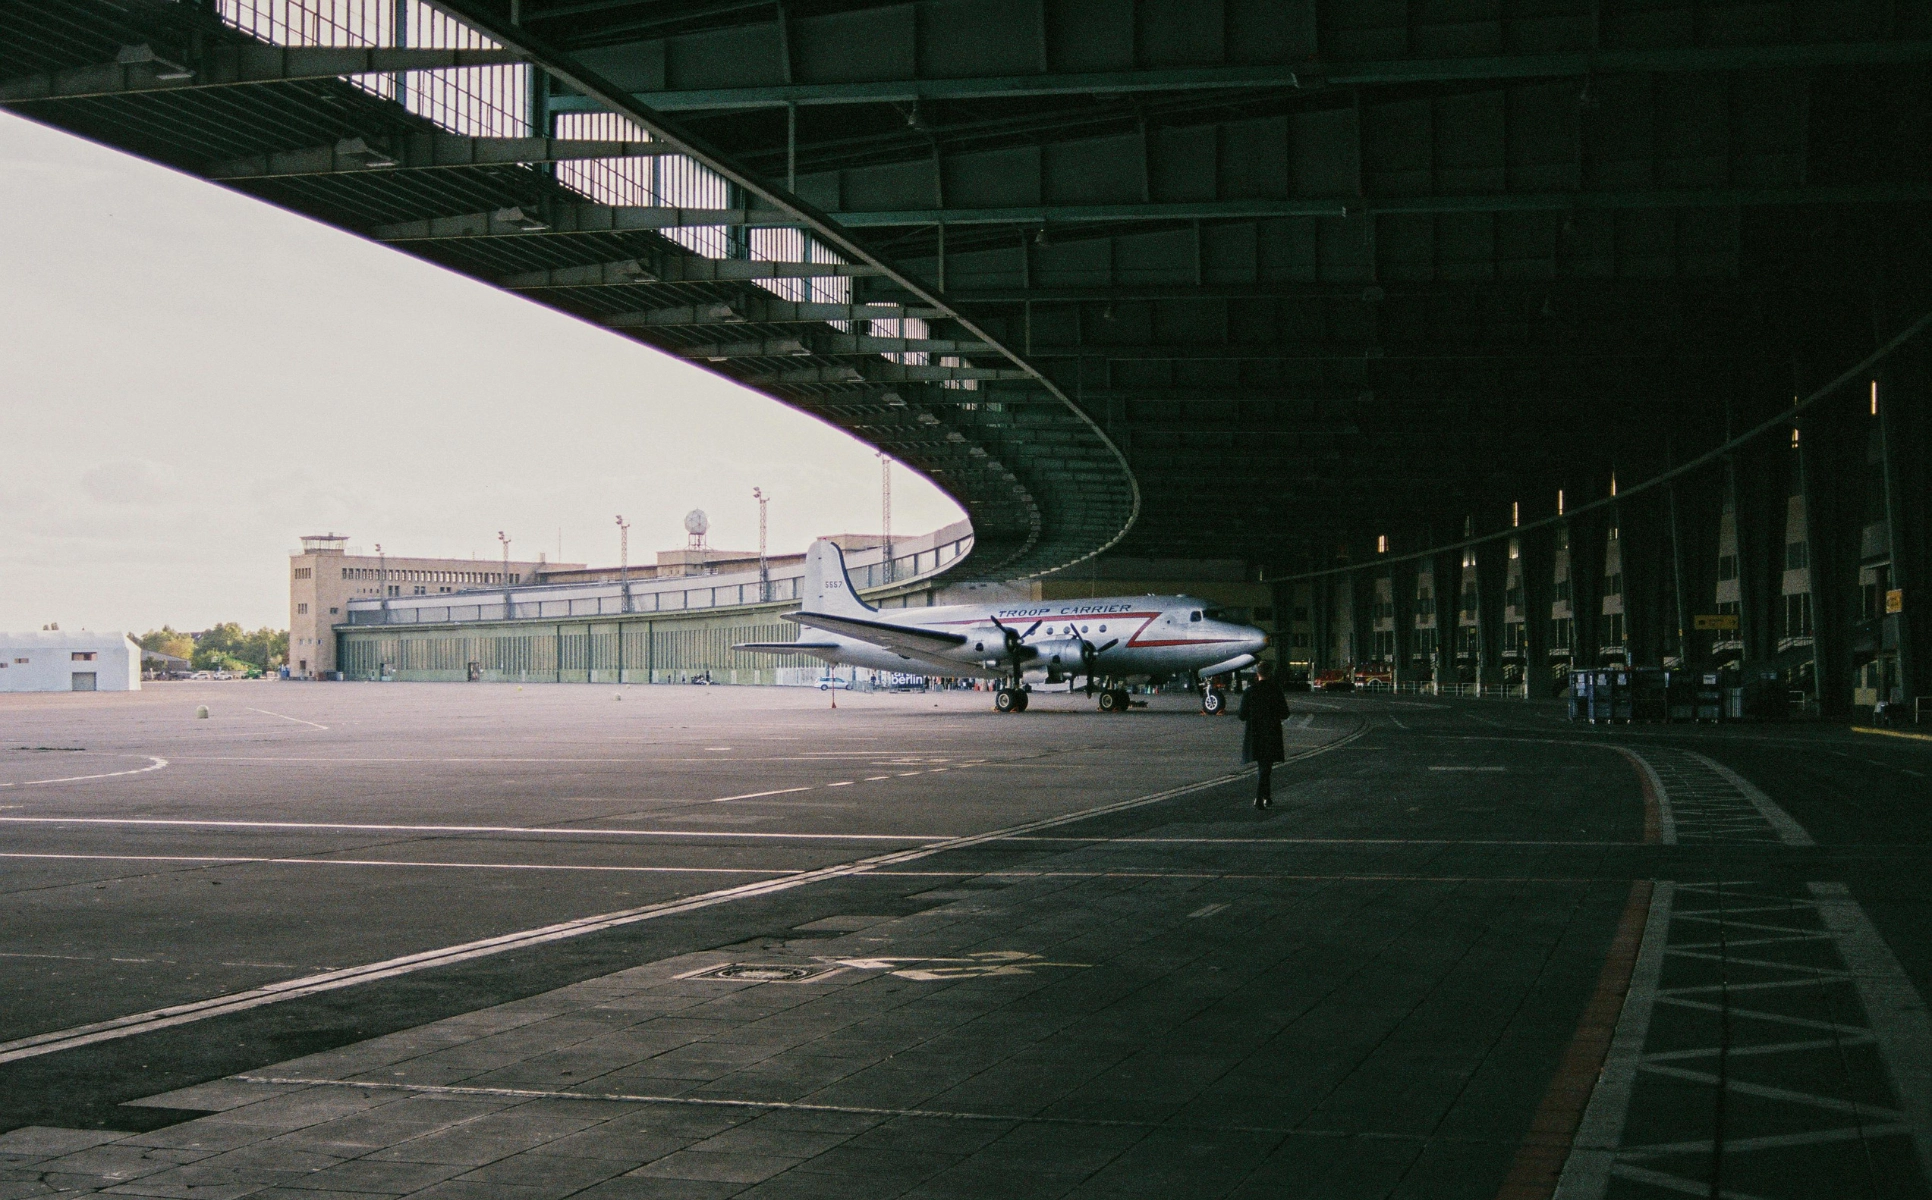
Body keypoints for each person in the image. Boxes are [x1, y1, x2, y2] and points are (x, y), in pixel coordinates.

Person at [1238, 660, 1288, 808]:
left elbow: (1241, 715)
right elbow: (1285, 713)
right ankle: (1260, 797)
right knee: (1266, 766)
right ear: (1270, 673)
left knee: (1263, 765)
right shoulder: (1276, 690)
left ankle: (1266, 796)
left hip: (1255, 733)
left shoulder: (1249, 691)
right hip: (1271, 732)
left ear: (1257, 673)